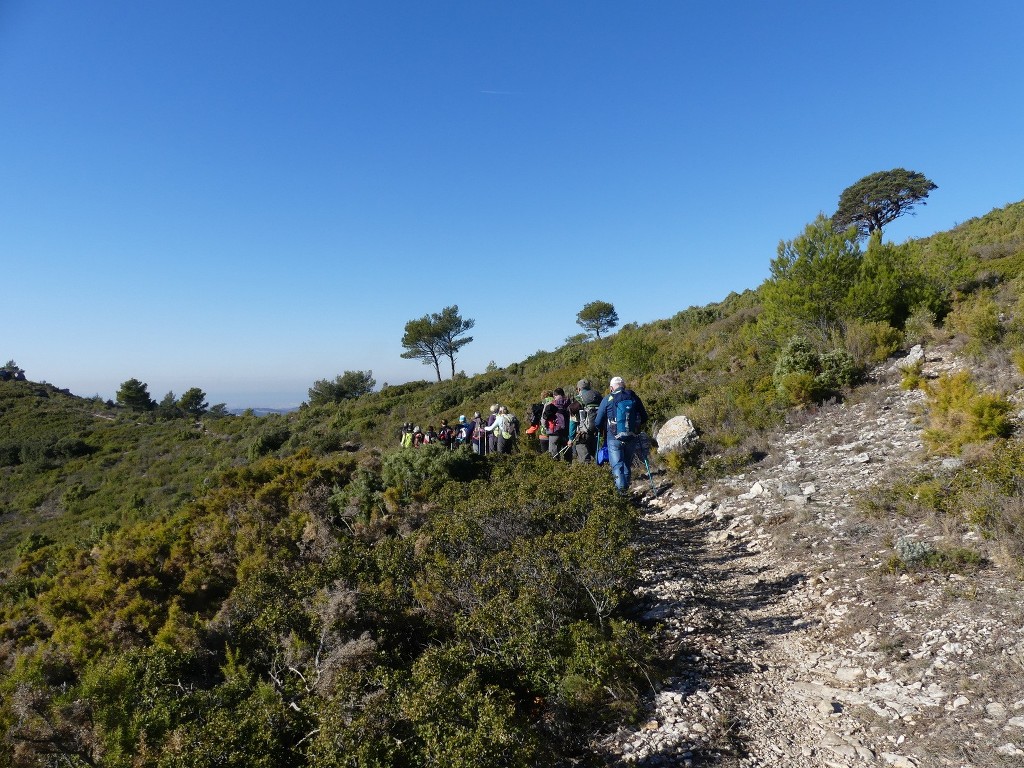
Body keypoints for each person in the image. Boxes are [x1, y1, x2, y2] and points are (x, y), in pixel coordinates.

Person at [593, 376, 649, 492]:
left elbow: (598, 421)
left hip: (613, 438)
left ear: (611, 388)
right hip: (632, 436)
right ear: (624, 386)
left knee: (617, 466)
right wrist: (636, 426)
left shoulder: (607, 399)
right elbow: (644, 417)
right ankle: (626, 491)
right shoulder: (633, 397)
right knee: (627, 464)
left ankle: (621, 494)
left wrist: (600, 429)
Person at [569, 378, 602, 463]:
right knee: (596, 457)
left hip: (583, 434)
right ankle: (600, 473)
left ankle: (586, 475)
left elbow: (573, 421)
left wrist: (571, 438)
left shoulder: (579, 399)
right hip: (597, 432)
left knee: (584, 460)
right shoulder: (598, 396)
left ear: (579, 389)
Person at [543, 388, 570, 460]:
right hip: (566, 432)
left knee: (553, 456)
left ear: (554, 396)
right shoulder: (569, 404)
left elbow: (544, 420)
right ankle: (569, 469)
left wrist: (546, 428)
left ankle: (556, 470)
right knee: (568, 456)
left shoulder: (550, 404)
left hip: (554, 432)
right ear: (563, 395)